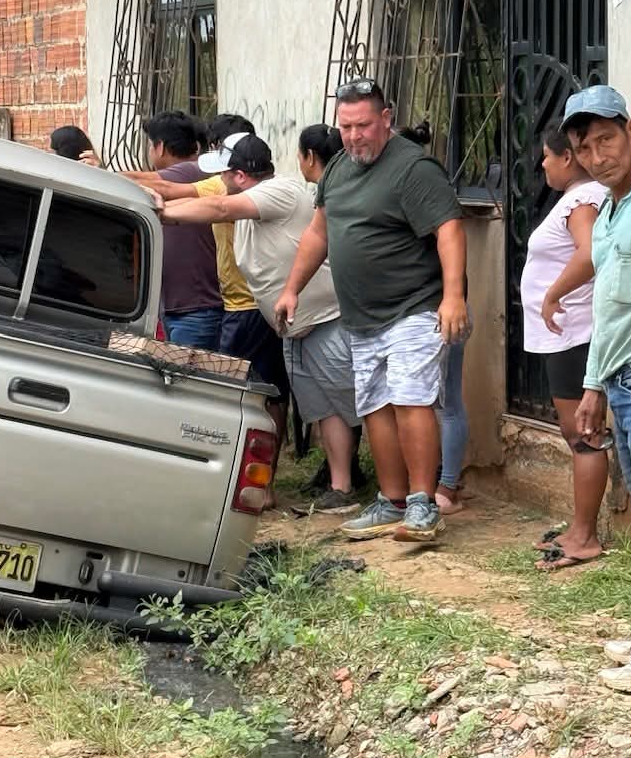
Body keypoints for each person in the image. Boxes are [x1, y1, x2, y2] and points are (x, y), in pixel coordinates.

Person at [275, 78, 468, 543]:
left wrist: (454, 296)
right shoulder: (338, 169)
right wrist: (291, 289)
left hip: (414, 307)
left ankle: (423, 505)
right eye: (345, 126)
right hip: (361, 317)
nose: (354, 135)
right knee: (376, 406)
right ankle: (392, 500)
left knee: (410, 398)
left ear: (386, 118)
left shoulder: (414, 168)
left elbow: (449, 230)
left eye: (363, 125)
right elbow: (319, 234)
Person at [153, 133, 361, 514]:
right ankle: (341, 487)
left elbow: (215, 207)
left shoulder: (277, 192)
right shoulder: (249, 208)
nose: (222, 180)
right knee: (323, 410)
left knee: (353, 405)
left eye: (227, 173)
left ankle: (397, 492)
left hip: (324, 318)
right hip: (295, 327)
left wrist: (164, 213)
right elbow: (207, 201)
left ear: (241, 175)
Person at [553, 86, 631, 693]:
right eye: (584, 148)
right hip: (625, 382)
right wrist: (593, 385)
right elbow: (613, 308)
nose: (596, 155)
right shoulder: (611, 211)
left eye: (606, 139)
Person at [519, 124, 608, 570]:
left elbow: (589, 253)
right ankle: (579, 527)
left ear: (566, 158)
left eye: (547, 157)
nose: (542, 165)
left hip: (574, 334)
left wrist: (553, 294)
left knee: (584, 436)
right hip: (565, 336)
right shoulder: (576, 199)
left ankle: (586, 536)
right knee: (577, 435)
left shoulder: (582, 199)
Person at [398, 122, 470, 515]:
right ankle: (439, 481)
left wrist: (453, 299)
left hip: (441, 308)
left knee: (447, 401)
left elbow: (450, 245)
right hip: (428, 309)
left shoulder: (425, 189)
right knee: (435, 401)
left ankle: (448, 486)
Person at [295, 123, 367, 496]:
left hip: (337, 317)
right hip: (323, 316)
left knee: (351, 400)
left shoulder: (317, 197)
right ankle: (343, 478)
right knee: (334, 403)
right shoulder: (337, 193)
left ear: (309, 157)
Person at [142, 111, 222, 349]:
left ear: (161, 147)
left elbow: (154, 183)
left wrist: (98, 173)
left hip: (195, 310)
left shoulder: (191, 173)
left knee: (186, 381)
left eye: (149, 145)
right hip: (178, 308)